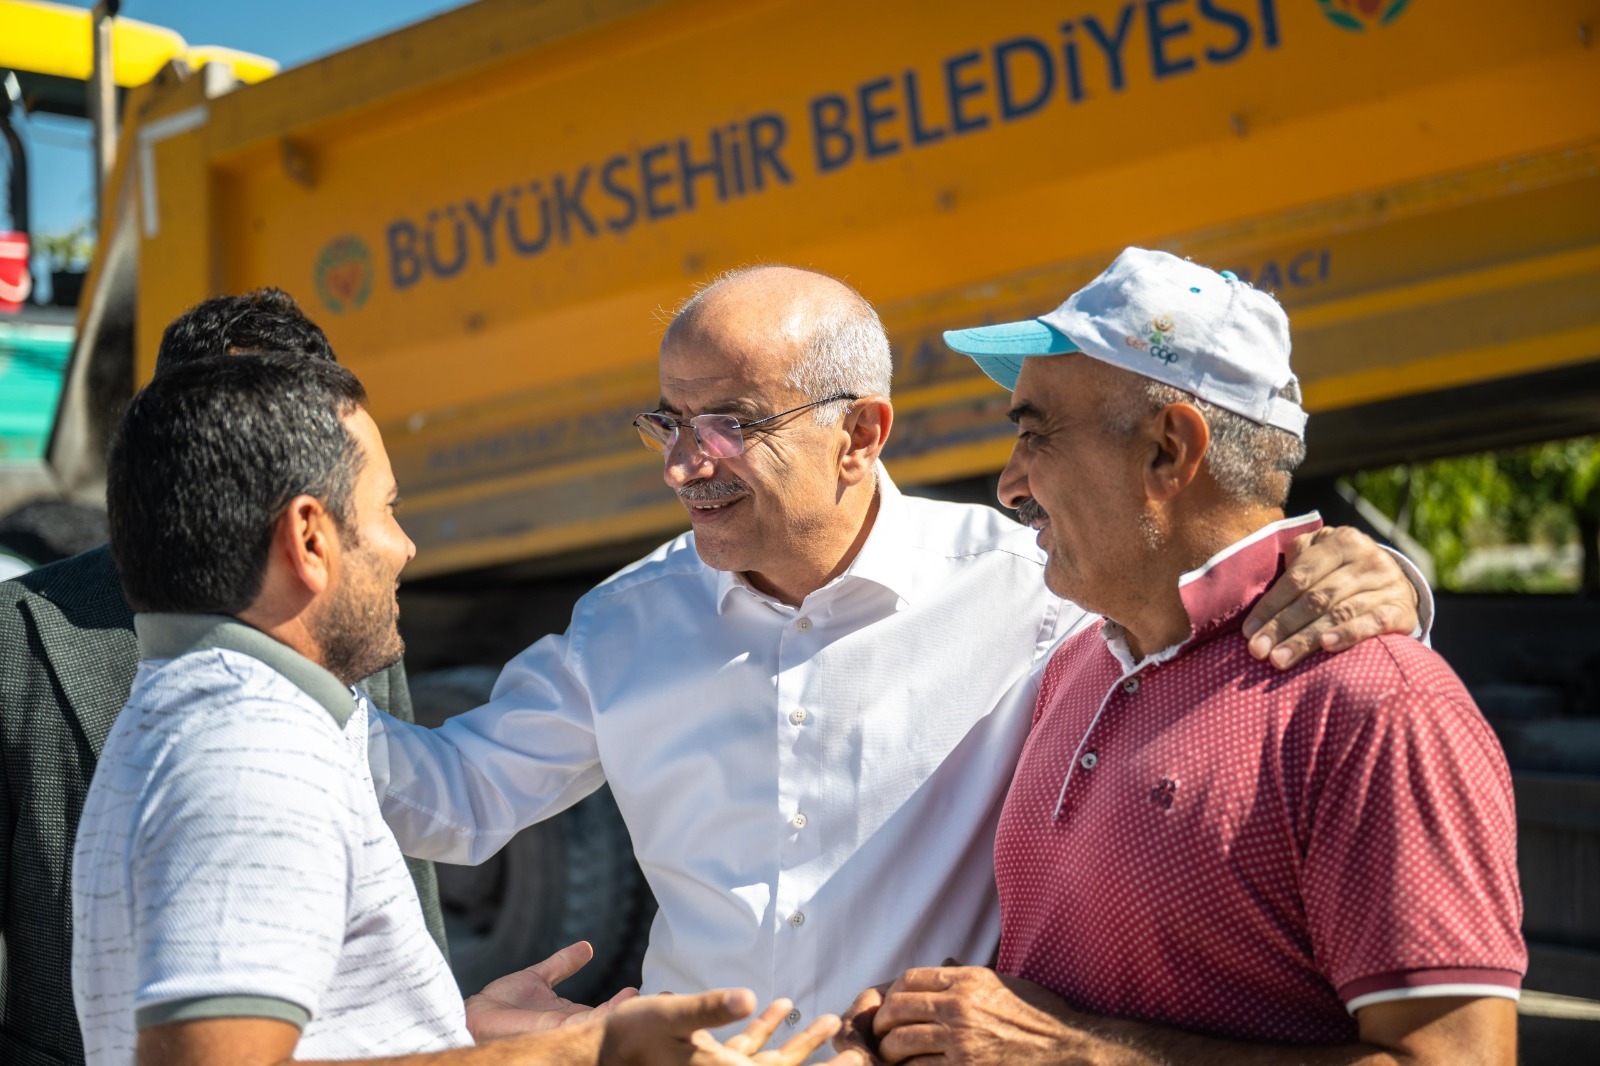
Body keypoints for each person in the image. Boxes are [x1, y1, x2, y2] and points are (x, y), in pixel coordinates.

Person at [364, 264, 1431, 1049]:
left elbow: (1208, 610)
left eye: (729, 422)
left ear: (861, 433)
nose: (686, 463)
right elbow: (455, 799)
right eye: (670, 421)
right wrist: (246, 677)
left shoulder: (1032, 591)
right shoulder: (624, 620)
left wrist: (1384, 581)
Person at [848, 248, 1524, 1065]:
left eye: (1036, 434)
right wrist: (918, 1031)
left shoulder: (1379, 706)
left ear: (1169, 449)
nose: (1009, 483)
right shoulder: (1080, 664)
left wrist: (1073, 1053)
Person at [72, 352, 846, 1066]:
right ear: (310, 537)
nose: (405, 545)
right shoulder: (251, 755)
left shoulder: (210, 718)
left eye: (728, 422)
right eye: (388, 508)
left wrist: (451, 1028)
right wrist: (584, 1055)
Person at [0, 290, 447, 1066]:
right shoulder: (230, 731)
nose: (404, 544)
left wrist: (450, 1020)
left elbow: (386, 908)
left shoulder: (339, 637)